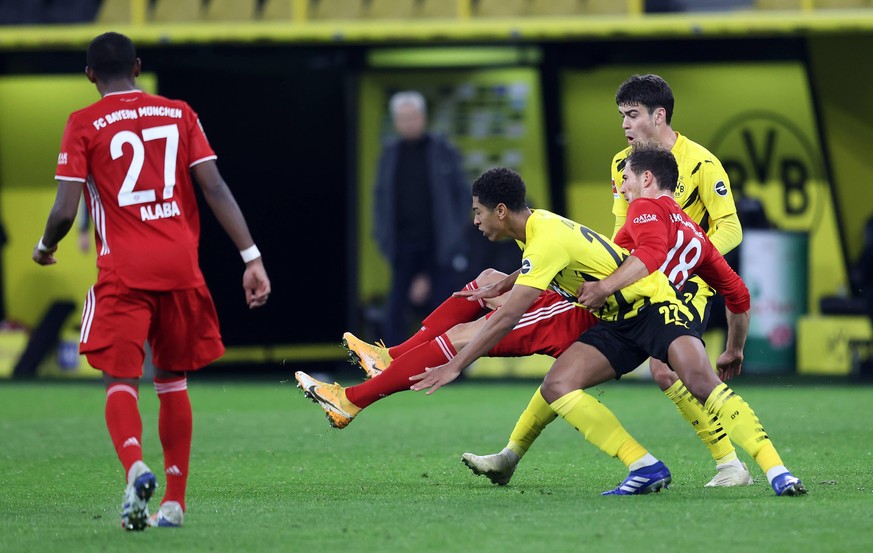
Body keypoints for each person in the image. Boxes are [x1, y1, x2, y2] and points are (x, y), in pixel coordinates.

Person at [410, 162, 805, 497]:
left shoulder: (645, 210)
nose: (622, 185)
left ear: (648, 178)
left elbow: (646, 257)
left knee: (698, 381)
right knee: (558, 384)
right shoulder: (691, 229)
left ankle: (775, 470)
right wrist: (735, 348)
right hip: (619, 320)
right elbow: (734, 290)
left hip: (655, 308)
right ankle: (646, 466)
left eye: (627, 177)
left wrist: (602, 287)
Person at [463, 74, 751, 488]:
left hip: (687, 281)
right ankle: (510, 454)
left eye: (632, 115)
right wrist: (610, 277)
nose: (625, 125)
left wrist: (685, 258)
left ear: (659, 115)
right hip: (636, 279)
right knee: (569, 366)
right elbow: (622, 233)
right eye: (622, 116)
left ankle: (730, 463)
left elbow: (731, 228)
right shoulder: (622, 164)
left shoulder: (702, 163)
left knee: (666, 369)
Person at [32, 32, 271, 531]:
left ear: (89, 74)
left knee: (120, 378)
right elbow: (214, 186)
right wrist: (251, 257)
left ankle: (136, 467)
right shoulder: (180, 112)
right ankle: (174, 503)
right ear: (138, 67)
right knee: (172, 378)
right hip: (182, 268)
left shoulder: (82, 123)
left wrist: (46, 246)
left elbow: (64, 210)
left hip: (124, 270)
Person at [295, 271, 597, 429]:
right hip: (570, 296)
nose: (476, 220)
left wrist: (456, 365)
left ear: (501, 211)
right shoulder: (628, 186)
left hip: (577, 312)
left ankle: (350, 401)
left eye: (479, 211)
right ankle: (390, 359)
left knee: (461, 336)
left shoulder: (637, 200)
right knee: (490, 278)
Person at [373, 90, 470, 345]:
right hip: (401, 245)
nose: (409, 122)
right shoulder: (389, 155)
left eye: (413, 116)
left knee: (443, 309)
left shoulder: (443, 150)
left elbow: (462, 196)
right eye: (403, 118)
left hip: (439, 245)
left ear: (423, 117)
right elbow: (380, 200)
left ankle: (445, 365)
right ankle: (389, 364)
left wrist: (455, 237)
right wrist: (383, 239)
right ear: (396, 121)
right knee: (395, 309)